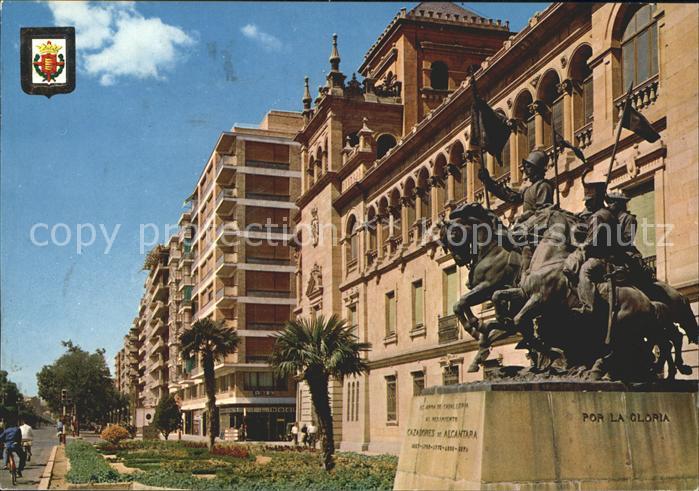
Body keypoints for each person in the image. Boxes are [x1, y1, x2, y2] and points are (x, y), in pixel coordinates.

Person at [479, 150, 555, 271]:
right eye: (526, 166)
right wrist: (488, 182)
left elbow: (544, 211)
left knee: (525, 252)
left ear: (537, 168)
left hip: (537, 229)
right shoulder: (527, 189)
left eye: (529, 166)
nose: (526, 170)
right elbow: (510, 196)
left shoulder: (544, 186)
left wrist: (524, 218)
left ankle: (526, 275)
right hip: (526, 227)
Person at [563, 181, 619, 315]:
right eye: (586, 201)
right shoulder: (607, 213)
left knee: (584, 271)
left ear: (598, 199)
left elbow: (590, 243)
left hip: (603, 259)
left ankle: (588, 307)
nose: (587, 204)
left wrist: (578, 246)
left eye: (590, 200)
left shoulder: (598, 217)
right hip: (608, 256)